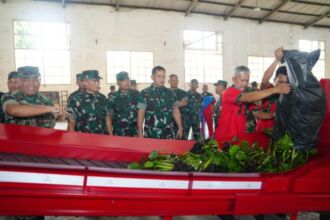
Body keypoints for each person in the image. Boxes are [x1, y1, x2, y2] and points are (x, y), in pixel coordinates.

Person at [214, 65, 291, 145]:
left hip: (241, 138)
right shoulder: (229, 92)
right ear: (234, 80)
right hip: (226, 139)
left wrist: (273, 115)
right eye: (242, 80)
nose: (245, 84)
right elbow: (246, 98)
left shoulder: (247, 95)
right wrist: (275, 89)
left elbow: (257, 114)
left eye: (247, 81)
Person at [137, 66, 183, 139]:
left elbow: (175, 110)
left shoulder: (170, 93)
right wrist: (140, 131)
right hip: (151, 133)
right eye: (158, 76)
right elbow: (141, 113)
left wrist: (180, 127)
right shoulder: (144, 93)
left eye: (163, 76)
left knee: (169, 150)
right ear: (152, 77)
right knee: (152, 151)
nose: (161, 79)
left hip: (168, 133)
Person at [255, 47, 289, 132]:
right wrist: (277, 60)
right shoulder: (269, 89)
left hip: (281, 129)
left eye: (286, 82)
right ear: (274, 80)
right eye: (280, 82)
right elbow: (265, 78)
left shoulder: (289, 92)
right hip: (264, 129)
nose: (283, 85)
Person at [67, 70, 108, 134]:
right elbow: (71, 121)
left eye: (98, 81)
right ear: (85, 82)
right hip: (83, 138)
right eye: (94, 81)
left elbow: (106, 118)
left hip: (101, 137)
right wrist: (72, 137)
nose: (97, 83)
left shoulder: (102, 98)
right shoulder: (75, 99)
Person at [106, 71, 145, 136]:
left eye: (127, 79)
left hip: (134, 134)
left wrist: (140, 132)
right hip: (118, 134)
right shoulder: (112, 98)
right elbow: (109, 117)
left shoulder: (137, 95)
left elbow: (141, 113)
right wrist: (110, 135)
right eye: (123, 80)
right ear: (118, 82)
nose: (126, 82)